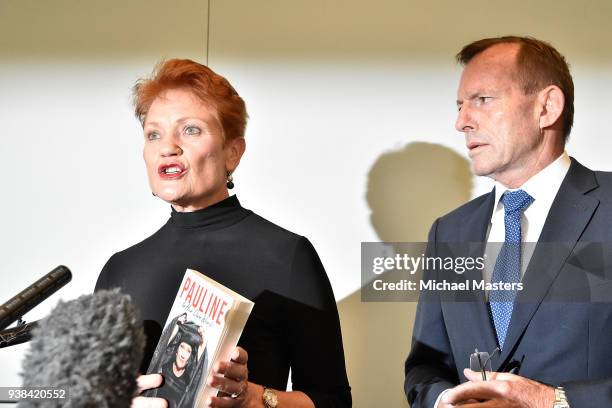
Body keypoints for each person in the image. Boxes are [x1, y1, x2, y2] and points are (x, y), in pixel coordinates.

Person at [95, 59, 351, 408]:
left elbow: (332, 401)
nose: (167, 146)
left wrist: (254, 398)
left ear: (233, 152)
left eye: (190, 130)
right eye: (153, 134)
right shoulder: (119, 270)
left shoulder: (287, 254)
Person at [404, 36, 612, 408]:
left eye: (482, 100)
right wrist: (446, 401)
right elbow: (425, 368)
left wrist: (552, 401)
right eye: (460, 105)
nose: (461, 122)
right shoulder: (449, 233)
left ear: (547, 107)